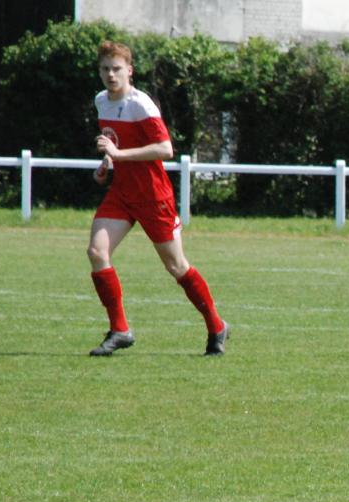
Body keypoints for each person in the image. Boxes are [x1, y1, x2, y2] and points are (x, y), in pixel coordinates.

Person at [86, 40, 228, 357]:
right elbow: (114, 144)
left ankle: (216, 325)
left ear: (130, 71)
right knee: (97, 251)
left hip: (153, 196)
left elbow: (165, 150)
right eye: (105, 69)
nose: (111, 75)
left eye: (117, 69)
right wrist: (107, 164)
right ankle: (120, 329)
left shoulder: (141, 104)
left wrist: (119, 153)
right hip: (123, 192)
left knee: (176, 266)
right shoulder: (101, 102)